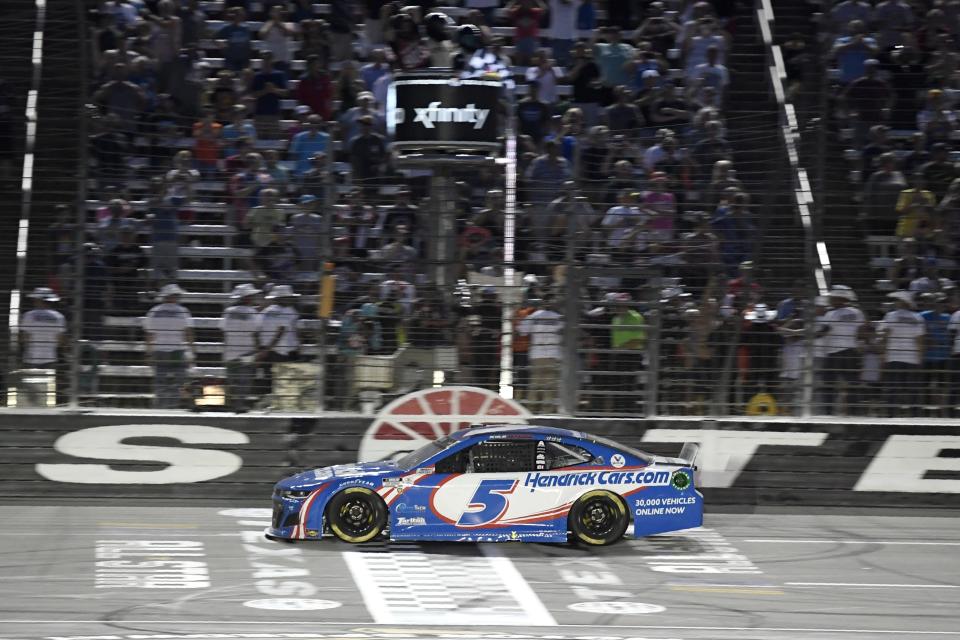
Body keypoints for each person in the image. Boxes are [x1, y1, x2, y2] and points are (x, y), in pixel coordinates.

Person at [143, 283, 195, 409]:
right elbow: (188, 333)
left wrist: (149, 353)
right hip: (177, 350)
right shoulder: (183, 311)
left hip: (160, 350)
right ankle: (175, 405)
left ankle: (162, 405)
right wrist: (192, 352)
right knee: (180, 379)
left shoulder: (154, 311)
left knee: (161, 380)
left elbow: (150, 334)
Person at [817, 286, 865, 415]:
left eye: (832, 298)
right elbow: (861, 331)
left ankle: (828, 411)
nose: (830, 300)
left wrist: (811, 334)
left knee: (828, 382)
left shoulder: (831, 313)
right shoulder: (857, 312)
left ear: (839, 299)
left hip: (834, 352)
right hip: (852, 351)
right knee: (853, 382)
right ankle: (854, 412)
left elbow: (823, 331)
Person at [881, 291, 926, 416]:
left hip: (893, 357)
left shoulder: (890, 316)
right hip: (911, 357)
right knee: (913, 388)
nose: (895, 302)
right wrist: (919, 358)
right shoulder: (918, 317)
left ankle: (891, 413)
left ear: (902, 302)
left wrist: (883, 354)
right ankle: (915, 413)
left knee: (892, 387)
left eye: (897, 300)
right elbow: (920, 340)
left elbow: (885, 335)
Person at [518, 296, 564, 413]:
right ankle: (546, 412)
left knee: (534, 385)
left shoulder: (533, 317)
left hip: (536, 355)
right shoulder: (558, 318)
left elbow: (522, 331)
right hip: (553, 355)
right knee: (550, 387)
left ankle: (531, 411)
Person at [257, 284, 302, 405]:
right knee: (283, 379)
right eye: (288, 297)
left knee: (271, 378)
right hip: (283, 350)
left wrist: (264, 349)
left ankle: (273, 403)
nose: (290, 299)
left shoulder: (266, 312)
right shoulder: (289, 311)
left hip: (271, 350)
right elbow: (282, 331)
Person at [20, 288, 67, 402]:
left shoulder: (29, 315)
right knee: (48, 388)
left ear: (39, 300)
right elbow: (61, 340)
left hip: (31, 357)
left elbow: (24, 338)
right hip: (50, 357)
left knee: (30, 386)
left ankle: (31, 407)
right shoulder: (59, 317)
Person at [221, 283, 262, 412]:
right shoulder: (253, 313)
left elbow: (223, 330)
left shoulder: (228, 312)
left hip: (230, 351)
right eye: (252, 296)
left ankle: (233, 404)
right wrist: (257, 353)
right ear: (247, 298)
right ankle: (240, 404)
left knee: (232, 379)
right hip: (247, 352)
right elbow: (256, 334)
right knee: (245, 380)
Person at [609, 292, 645, 413]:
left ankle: (629, 411)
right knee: (618, 384)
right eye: (618, 305)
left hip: (631, 355)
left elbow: (639, 339)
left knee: (629, 384)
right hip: (618, 355)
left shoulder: (636, 317)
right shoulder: (615, 319)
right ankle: (619, 410)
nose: (620, 308)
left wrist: (621, 347)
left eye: (623, 305)